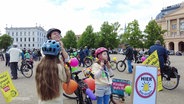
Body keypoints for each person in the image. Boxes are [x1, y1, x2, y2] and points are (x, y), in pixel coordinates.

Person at [35, 40, 70, 104]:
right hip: (57, 101)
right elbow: (66, 79)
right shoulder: (59, 67)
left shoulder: (39, 66)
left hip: (42, 100)